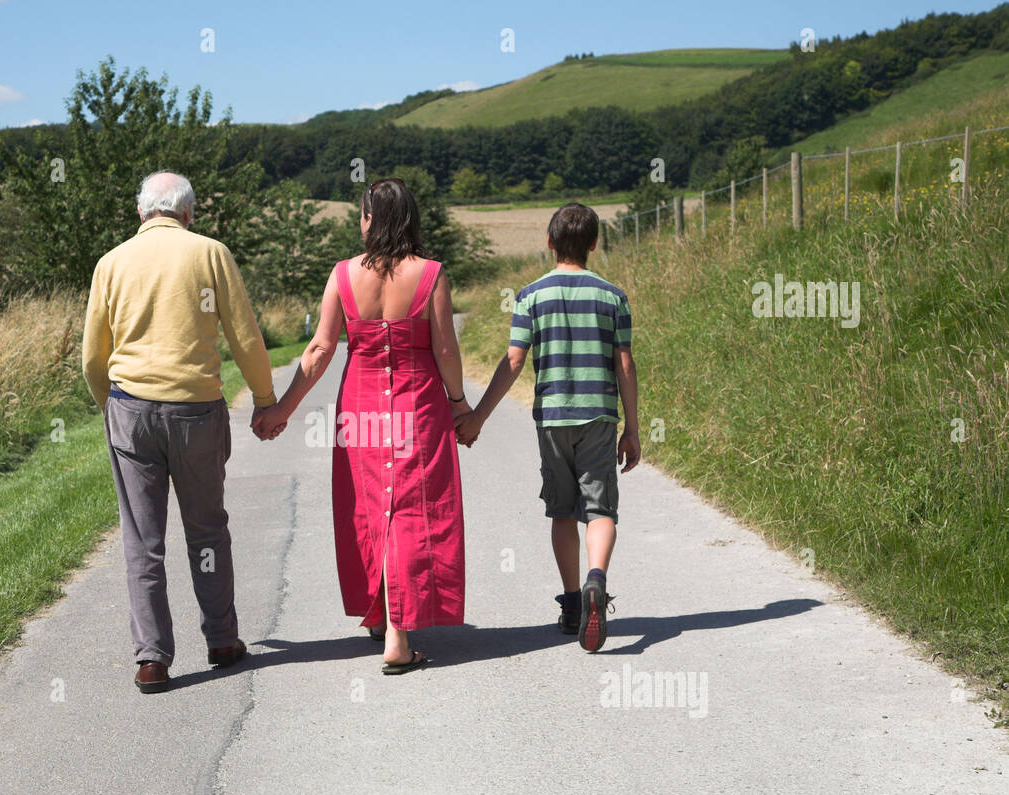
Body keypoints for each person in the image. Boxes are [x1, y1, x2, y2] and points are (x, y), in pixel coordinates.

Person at [254, 179, 467, 674]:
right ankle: (397, 631)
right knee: (412, 509)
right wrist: (458, 403)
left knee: (372, 508)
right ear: (410, 219)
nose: (360, 222)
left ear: (372, 220)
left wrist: (281, 410)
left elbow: (319, 351)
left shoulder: (343, 274)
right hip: (418, 407)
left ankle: (382, 616)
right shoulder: (431, 274)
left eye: (363, 215)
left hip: (361, 406)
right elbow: (447, 351)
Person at [83, 171, 278, 695]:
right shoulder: (210, 253)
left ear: (142, 212)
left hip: (131, 408)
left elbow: (92, 357)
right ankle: (220, 640)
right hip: (196, 409)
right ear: (188, 213)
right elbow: (245, 337)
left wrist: (114, 409)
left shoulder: (111, 263)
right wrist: (264, 401)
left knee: (142, 540)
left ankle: (151, 660)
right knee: (207, 531)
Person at [454, 202, 639, 652]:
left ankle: (574, 604)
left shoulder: (530, 296)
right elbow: (625, 364)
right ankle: (598, 579)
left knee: (561, 512)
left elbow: (514, 361)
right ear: (595, 244)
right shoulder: (613, 297)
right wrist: (632, 428)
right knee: (601, 511)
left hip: (552, 419)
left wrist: (477, 417)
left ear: (550, 242)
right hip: (599, 416)